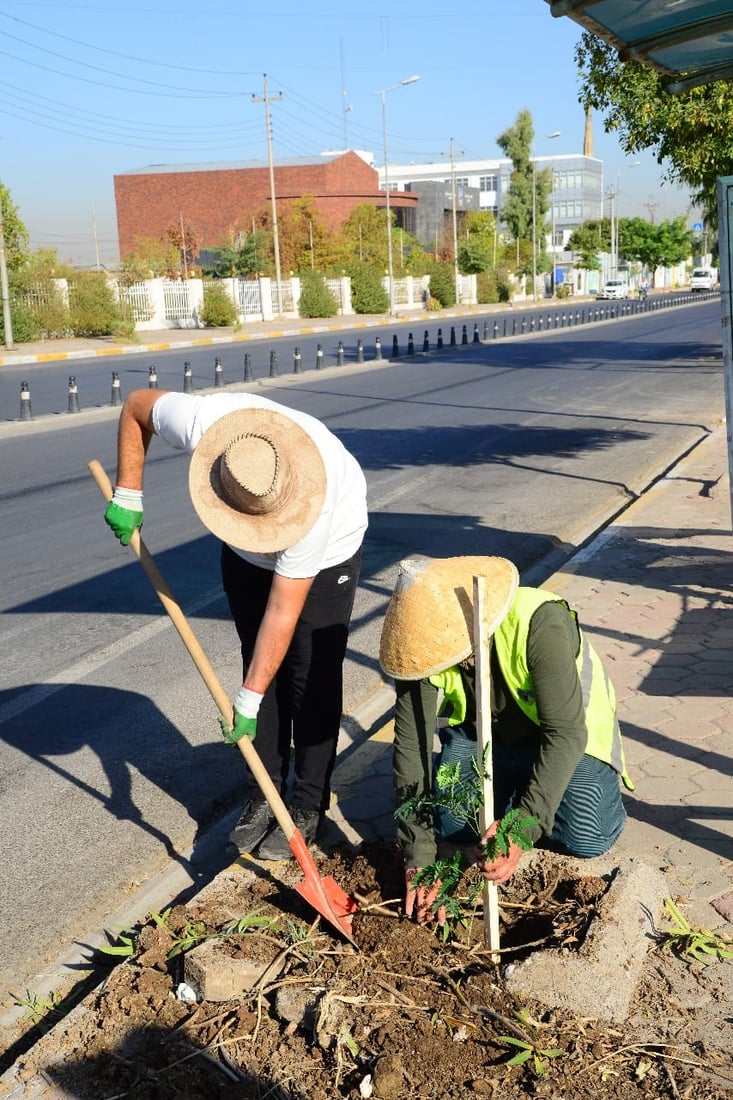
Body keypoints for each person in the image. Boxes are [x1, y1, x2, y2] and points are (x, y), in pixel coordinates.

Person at [104, 388, 368, 861]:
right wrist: (128, 491)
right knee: (257, 666)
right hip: (245, 551)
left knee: (311, 674)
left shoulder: (315, 509)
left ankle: (308, 805)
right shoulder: (206, 422)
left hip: (328, 555)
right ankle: (263, 794)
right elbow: (136, 407)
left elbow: (283, 613)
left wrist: (245, 700)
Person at [379, 555, 634, 924]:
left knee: (587, 837)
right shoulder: (417, 644)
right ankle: (518, 794)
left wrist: (521, 827)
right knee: (453, 825)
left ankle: (544, 800)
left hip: (563, 738)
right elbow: (411, 749)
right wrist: (418, 857)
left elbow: (565, 733)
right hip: (485, 739)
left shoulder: (539, 621)